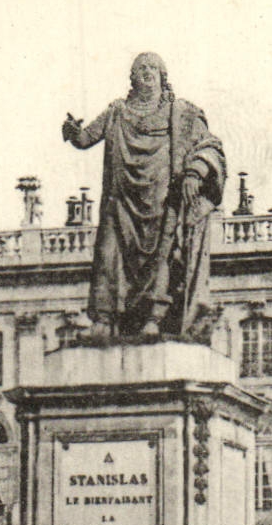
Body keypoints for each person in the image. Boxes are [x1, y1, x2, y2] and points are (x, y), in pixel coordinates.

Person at [62, 52, 226, 340]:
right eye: (140, 68)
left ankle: (155, 317)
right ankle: (103, 319)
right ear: (132, 78)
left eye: (152, 67)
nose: (146, 72)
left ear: (164, 76)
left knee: (163, 256)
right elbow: (86, 138)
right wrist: (73, 132)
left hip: (165, 200)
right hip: (122, 200)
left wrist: (195, 172)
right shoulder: (117, 111)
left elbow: (209, 146)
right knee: (109, 254)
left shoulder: (183, 112)